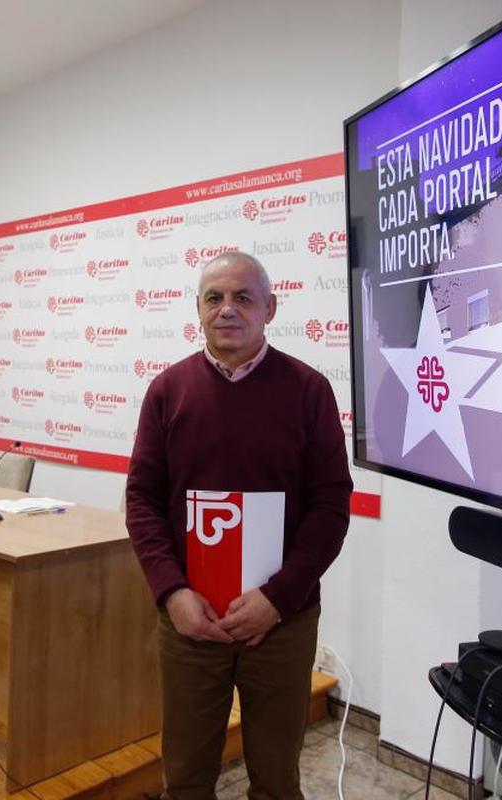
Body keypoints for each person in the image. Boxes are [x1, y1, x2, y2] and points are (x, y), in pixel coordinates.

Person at [125, 251, 352, 799]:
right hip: (190, 619)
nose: (227, 309)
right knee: (185, 778)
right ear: (198, 311)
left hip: (282, 621)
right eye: (214, 298)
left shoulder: (309, 390)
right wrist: (172, 592)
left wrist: (278, 597)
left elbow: (330, 506)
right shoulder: (167, 390)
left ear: (269, 308)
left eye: (243, 297)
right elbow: (142, 501)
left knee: (276, 779)